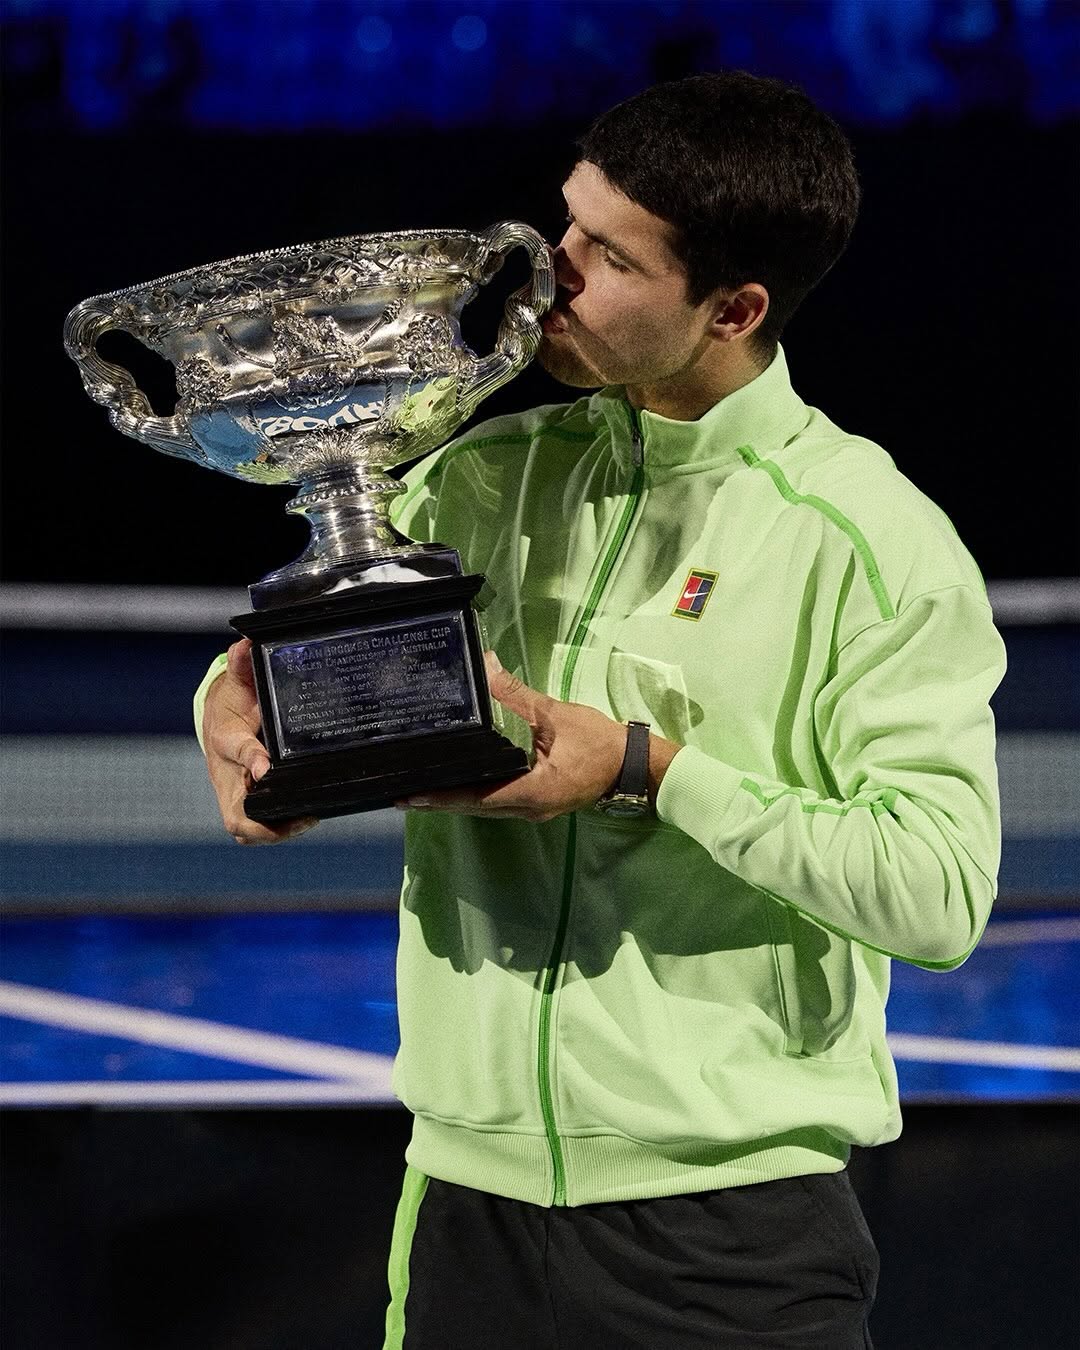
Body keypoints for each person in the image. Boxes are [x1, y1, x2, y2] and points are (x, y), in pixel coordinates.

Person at [195, 71, 1006, 1348]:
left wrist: (646, 769)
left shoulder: (869, 540)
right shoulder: (478, 476)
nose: (547, 273)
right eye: (565, 222)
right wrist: (230, 703)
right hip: (466, 1206)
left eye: (611, 258)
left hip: (729, 1237)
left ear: (733, 308)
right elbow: (316, 639)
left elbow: (936, 894)